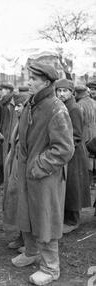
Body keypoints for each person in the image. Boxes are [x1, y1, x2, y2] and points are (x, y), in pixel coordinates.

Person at [11, 62, 74, 286]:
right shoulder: (32, 103)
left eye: (33, 79)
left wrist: (39, 166)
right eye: (29, 77)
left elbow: (65, 149)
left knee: (45, 219)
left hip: (45, 176)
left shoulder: (56, 108)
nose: (28, 82)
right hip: (29, 173)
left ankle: (50, 267)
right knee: (27, 214)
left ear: (46, 82)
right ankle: (31, 252)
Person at [55, 79, 90, 234]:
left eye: (65, 91)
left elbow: (76, 135)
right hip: (66, 151)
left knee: (73, 187)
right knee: (67, 186)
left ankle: (73, 220)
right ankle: (66, 217)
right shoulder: (61, 106)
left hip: (73, 154)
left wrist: (64, 149)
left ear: (71, 92)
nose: (61, 94)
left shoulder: (74, 108)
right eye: (59, 90)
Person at [3, 93, 29, 251]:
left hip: (24, 169)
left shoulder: (29, 123)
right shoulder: (19, 123)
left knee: (24, 204)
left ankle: (29, 241)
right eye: (16, 106)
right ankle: (21, 236)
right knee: (16, 202)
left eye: (20, 106)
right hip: (15, 166)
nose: (17, 109)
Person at [75, 85, 96, 185]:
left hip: (85, 133)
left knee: (86, 157)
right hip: (94, 132)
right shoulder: (94, 102)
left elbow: (78, 122)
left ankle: (88, 182)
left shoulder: (79, 105)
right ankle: (92, 182)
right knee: (93, 156)